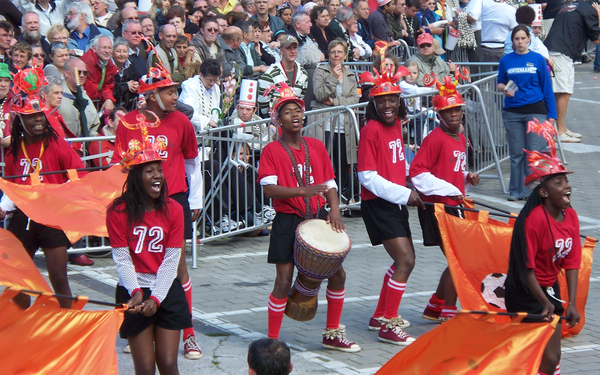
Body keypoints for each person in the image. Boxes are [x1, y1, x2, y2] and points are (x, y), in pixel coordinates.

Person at [258, 83, 361, 352]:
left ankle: (332, 332)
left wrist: (335, 210)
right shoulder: (272, 150)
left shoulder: (315, 145)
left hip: (318, 216)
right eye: (288, 111)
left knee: (337, 275)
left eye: (298, 111)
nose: (294, 115)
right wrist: (302, 190)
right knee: (283, 280)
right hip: (287, 220)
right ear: (278, 119)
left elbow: (330, 184)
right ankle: (272, 340)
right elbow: (268, 188)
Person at [110, 63, 204, 360]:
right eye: (168, 91)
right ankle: (141, 326)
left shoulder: (181, 122)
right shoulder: (128, 123)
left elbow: (192, 162)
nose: (175, 95)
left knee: (178, 267)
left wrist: (195, 199)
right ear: (151, 95)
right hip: (137, 202)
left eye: (175, 90)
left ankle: (187, 333)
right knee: (137, 258)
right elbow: (118, 166)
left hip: (173, 199)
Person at [0, 66, 86, 309]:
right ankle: (22, 325)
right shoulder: (14, 150)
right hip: (24, 217)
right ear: (21, 120)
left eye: (40, 115)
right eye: (31, 116)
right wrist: (4, 207)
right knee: (17, 280)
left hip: (52, 219)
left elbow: (78, 175)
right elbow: (14, 186)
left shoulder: (56, 144)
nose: (38, 120)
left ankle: (67, 327)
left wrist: (59, 193)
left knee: (58, 278)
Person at [107, 129, 191, 375]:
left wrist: (155, 298)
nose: (158, 176)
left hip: (166, 290)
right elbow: (122, 259)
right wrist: (135, 292)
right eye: (149, 170)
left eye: (159, 169)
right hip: (133, 291)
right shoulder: (117, 211)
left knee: (167, 364)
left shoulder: (174, 209)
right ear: (135, 176)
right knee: (144, 368)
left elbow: (171, 260)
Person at [357, 42, 424, 345]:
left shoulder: (397, 122)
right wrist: (404, 193)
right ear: (373, 104)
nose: (388, 105)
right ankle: (389, 325)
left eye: (392, 100)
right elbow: (367, 176)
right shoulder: (371, 128)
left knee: (403, 261)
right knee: (406, 260)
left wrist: (412, 186)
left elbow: (396, 163)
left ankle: (381, 315)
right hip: (380, 203)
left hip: (396, 201)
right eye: (381, 101)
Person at [504, 120, 580, 375]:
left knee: (553, 356)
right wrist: (543, 301)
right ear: (544, 193)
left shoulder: (571, 216)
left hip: (550, 289)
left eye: (565, 181)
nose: (566, 186)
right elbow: (527, 271)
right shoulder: (533, 221)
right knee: (538, 355)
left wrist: (570, 303)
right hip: (527, 291)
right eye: (558, 183)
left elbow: (571, 262)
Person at [409, 71, 481, 323]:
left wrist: (467, 177)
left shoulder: (461, 138)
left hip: (454, 205)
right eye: (449, 112)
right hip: (438, 208)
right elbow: (417, 173)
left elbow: (452, 170)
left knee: (458, 259)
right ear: (438, 115)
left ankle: (434, 306)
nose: (454, 115)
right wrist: (451, 190)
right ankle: (449, 313)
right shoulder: (434, 139)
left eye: (457, 110)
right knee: (458, 259)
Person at [498, 25, 556, 201]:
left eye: (523, 38)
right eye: (517, 39)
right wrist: (505, 89)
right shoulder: (506, 60)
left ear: (529, 39)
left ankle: (533, 192)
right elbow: (500, 82)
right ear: (512, 41)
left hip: (536, 111)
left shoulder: (538, 59)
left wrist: (552, 116)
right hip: (512, 112)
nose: (520, 42)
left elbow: (547, 88)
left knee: (533, 153)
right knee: (516, 154)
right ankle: (515, 191)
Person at [546, 1, 600, 143]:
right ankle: (559, 131)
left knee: (560, 91)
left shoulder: (571, 6)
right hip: (562, 51)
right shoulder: (590, 10)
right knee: (564, 92)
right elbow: (596, 39)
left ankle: (561, 127)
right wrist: (599, 15)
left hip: (555, 49)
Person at [311, 39, 358, 198]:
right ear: (328, 54)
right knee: (325, 163)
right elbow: (319, 94)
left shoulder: (351, 75)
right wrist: (334, 78)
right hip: (324, 124)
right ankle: (325, 199)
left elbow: (354, 99)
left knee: (343, 164)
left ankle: (342, 199)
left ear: (345, 55)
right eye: (333, 52)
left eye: (339, 52)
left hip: (344, 125)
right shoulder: (321, 71)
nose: (336, 55)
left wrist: (335, 102)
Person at [257, 35, 309, 118]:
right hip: (276, 122)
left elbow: (301, 97)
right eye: (288, 48)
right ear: (281, 51)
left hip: (297, 121)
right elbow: (263, 104)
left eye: (295, 48)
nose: (292, 51)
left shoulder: (303, 73)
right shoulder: (270, 74)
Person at [59, 57, 100, 137]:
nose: (82, 76)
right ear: (66, 73)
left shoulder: (86, 99)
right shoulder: (57, 96)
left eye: (85, 73)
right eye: (78, 72)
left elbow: (94, 127)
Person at [178, 58, 222, 131]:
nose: (212, 83)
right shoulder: (190, 86)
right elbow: (189, 113)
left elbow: (216, 109)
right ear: (201, 75)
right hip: (189, 129)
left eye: (215, 80)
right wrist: (208, 121)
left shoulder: (216, 88)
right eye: (209, 80)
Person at [81, 34, 118, 112]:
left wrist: (108, 98)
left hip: (96, 102)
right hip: (87, 104)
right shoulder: (88, 61)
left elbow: (108, 85)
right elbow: (90, 91)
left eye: (109, 48)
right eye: (104, 47)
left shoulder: (107, 61)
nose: (107, 51)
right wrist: (104, 97)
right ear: (94, 48)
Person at [112, 37, 141, 111]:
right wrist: (126, 86)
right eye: (118, 51)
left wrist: (136, 86)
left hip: (127, 107)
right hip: (112, 107)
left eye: (125, 51)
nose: (122, 54)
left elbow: (137, 81)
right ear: (112, 53)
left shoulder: (131, 65)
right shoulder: (108, 67)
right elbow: (110, 88)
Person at [0, 62, 12, 147]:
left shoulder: (15, 101)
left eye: (6, 80)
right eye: (0, 80)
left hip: (10, 154)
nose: (3, 84)